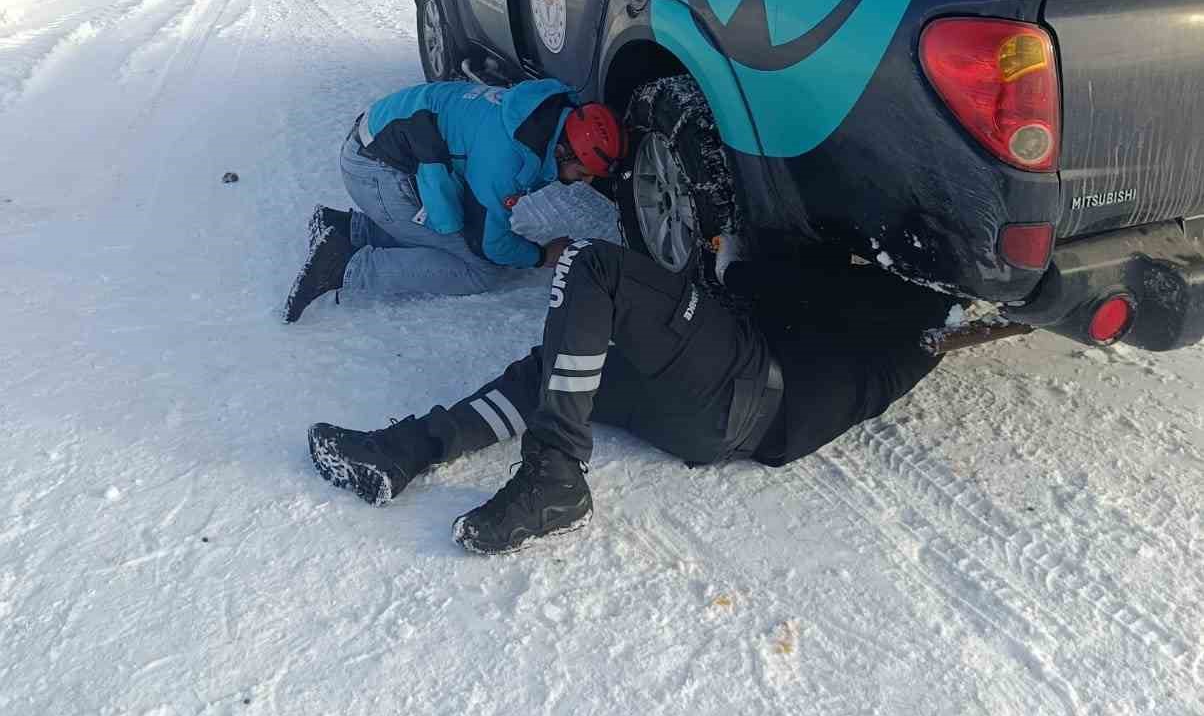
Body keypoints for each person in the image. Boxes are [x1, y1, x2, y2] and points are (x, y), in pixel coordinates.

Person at [305, 235, 955, 555]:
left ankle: (555, 471)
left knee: (596, 268)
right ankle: (409, 449)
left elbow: (774, 286)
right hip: (721, 419)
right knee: (563, 365)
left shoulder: (909, 300)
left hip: (749, 384)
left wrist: (732, 260)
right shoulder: (918, 323)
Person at [283, 79, 627, 322]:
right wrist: (541, 255)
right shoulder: (503, 163)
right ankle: (345, 266)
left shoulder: (535, 119)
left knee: (454, 234)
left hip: (378, 148)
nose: (589, 180)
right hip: (374, 171)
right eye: (584, 171)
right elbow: (491, 245)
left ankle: (348, 228)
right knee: (480, 270)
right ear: (563, 149)